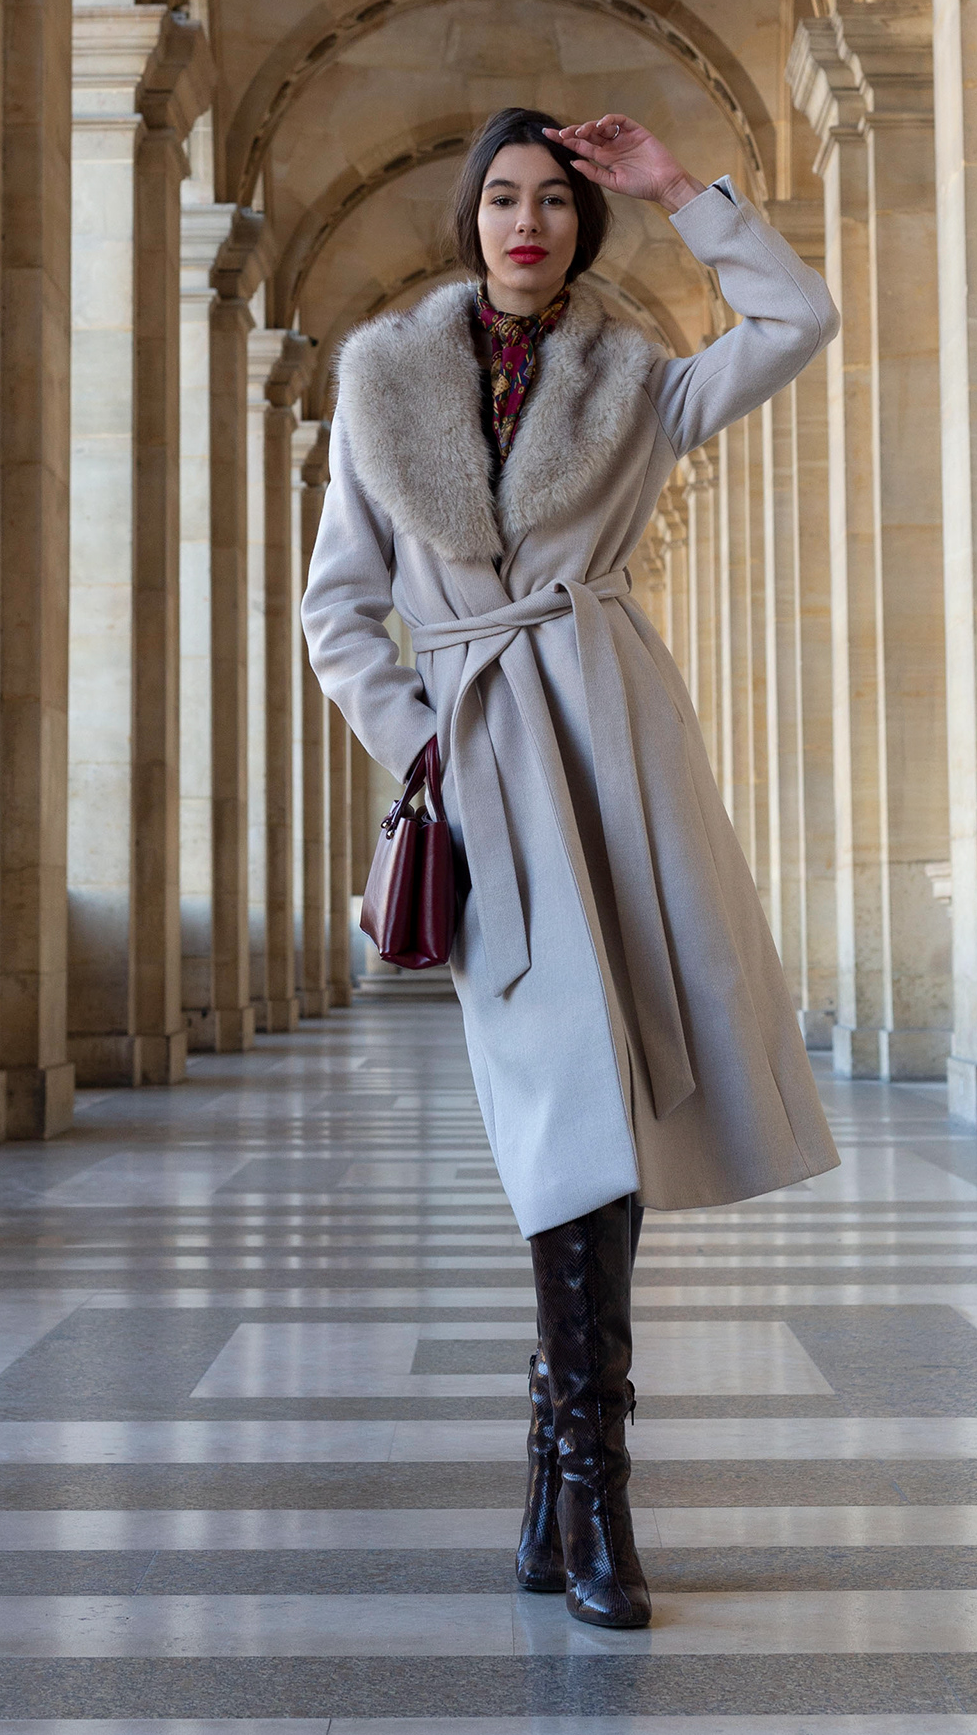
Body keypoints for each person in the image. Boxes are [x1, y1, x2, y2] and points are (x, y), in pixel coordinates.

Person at [301, 107, 841, 1629]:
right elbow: (338, 609)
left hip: (617, 748)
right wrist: (427, 745)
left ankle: (573, 1472)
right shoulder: (379, 382)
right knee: (559, 1106)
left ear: (584, 224)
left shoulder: (637, 381)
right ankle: (583, 1470)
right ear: (468, 218)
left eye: (552, 199)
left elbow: (798, 319)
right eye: (500, 197)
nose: (526, 222)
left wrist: (682, 191)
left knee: (616, 1086)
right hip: (483, 765)